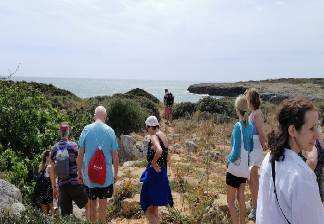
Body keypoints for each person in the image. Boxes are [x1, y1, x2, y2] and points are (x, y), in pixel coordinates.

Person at [256, 97, 324, 224]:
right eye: (311, 128)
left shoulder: (269, 158)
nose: (316, 134)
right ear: (292, 130)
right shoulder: (302, 177)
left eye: (317, 127)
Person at [78, 106, 119, 223]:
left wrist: (79, 173)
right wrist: (115, 173)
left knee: (91, 207)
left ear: (94, 116)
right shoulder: (110, 131)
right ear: (105, 117)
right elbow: (115, 156)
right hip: (105, 177)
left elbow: (80, 154)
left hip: (89, 177)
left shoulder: (86, 129)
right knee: (103, 208)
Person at [140, 115, 173, 224]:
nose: (147, 130)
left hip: (153, 175)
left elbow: (159, 150)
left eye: (146, 128)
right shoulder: (163, 136)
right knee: (154, 208)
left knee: (146, 205)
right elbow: (168, 157)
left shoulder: (154, 136)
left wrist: (153, 162)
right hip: (162, 173)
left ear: (150, 127)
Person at [50, 122, 88, 216]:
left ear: (60, 132)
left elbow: (52, 169)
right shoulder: (73, 146)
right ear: (68, 131)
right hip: (74, 183)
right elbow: (79, 162)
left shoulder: (54, 149)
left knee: (66, 217)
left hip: (62, 186)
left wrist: (54, 187)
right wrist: (81, 177)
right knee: (89, 206)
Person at [226, 95, 253, 224]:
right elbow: (251, 147)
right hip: (244, 169)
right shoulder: (250, 126)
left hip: (235, 169)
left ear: (237, 109)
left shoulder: (238, 126)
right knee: (241, 197)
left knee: (230, 201)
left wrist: (228, 160)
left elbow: (236, 151)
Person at [245, 88, 267, 221]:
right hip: (252, 146)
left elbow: (260, 132)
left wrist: (265, 144)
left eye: (247, 98)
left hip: (255, 147)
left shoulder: (257, 113)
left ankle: (256, 207)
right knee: (252, 177)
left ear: (251, 99)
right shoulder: (253, 112)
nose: (246, 100)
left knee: (253, 176)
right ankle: (255, 205)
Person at [33, 150, 53, 215]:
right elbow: (53, 181)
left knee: (45, 214)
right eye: (51, 156)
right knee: (54, 212)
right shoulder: (50, 167)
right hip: (49, 192)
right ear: (47, 157)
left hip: (41, 193)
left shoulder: (42, 167)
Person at [307, 136, 324, 202]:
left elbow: (312, 160)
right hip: (317, 188)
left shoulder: (308, 140)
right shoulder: (319, 139)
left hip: (308, 187)